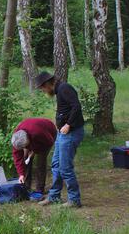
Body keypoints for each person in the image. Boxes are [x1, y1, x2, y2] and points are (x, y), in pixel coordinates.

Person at [34, 71, 84, 208]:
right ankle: (54, 196)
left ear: (47, 84)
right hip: (63, 134)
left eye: (42, 88)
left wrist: (68, 125)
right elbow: (66, 110)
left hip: (71, 133)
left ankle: (74, 199)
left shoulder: (64, 88)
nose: (43, 91)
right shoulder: (59, 91)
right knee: (56, 165)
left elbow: (76, 106)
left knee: (65, 167)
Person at [11, 117, 57, 198]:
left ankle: (40, 189)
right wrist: (21, 174)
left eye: (26, 146)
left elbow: (49, 142)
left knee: (40, 162)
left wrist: (34, 151)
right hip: (32, 133)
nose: (26, 148)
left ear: (28, 139)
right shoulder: (16, 138)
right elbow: (17, 158)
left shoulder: (38, 133)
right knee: (26, 158)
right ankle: (26, 186)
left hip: (48, 133)